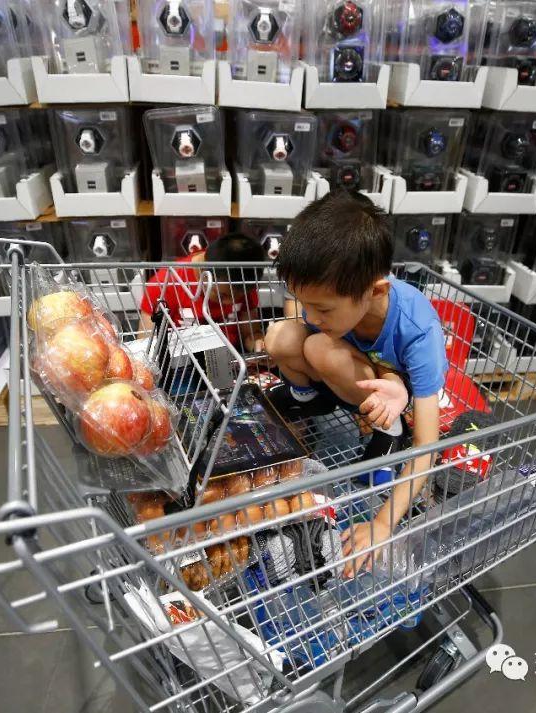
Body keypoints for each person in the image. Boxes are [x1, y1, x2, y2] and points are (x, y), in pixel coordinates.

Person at [262, 191, 448, 576]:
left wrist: (382, 523)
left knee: (318, 346)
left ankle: (388, 431)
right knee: (281, 336)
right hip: (357, 379)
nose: (311, 315)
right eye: (304, 302)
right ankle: (310, 399)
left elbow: (427, 445)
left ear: (376, 291)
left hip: (387, 402)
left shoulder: (418, 330)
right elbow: (307, 321)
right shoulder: (338, 298)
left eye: (322, 308)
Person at [139, 233, 266, 351]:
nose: (230, 302)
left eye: (239, 297)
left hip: (231, 357)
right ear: (203, 272)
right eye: (222, 295)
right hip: (181, 361)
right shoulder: (164, 284)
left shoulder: (244, 277)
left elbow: (250, 334)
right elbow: (145, 346)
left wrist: (259, 347)